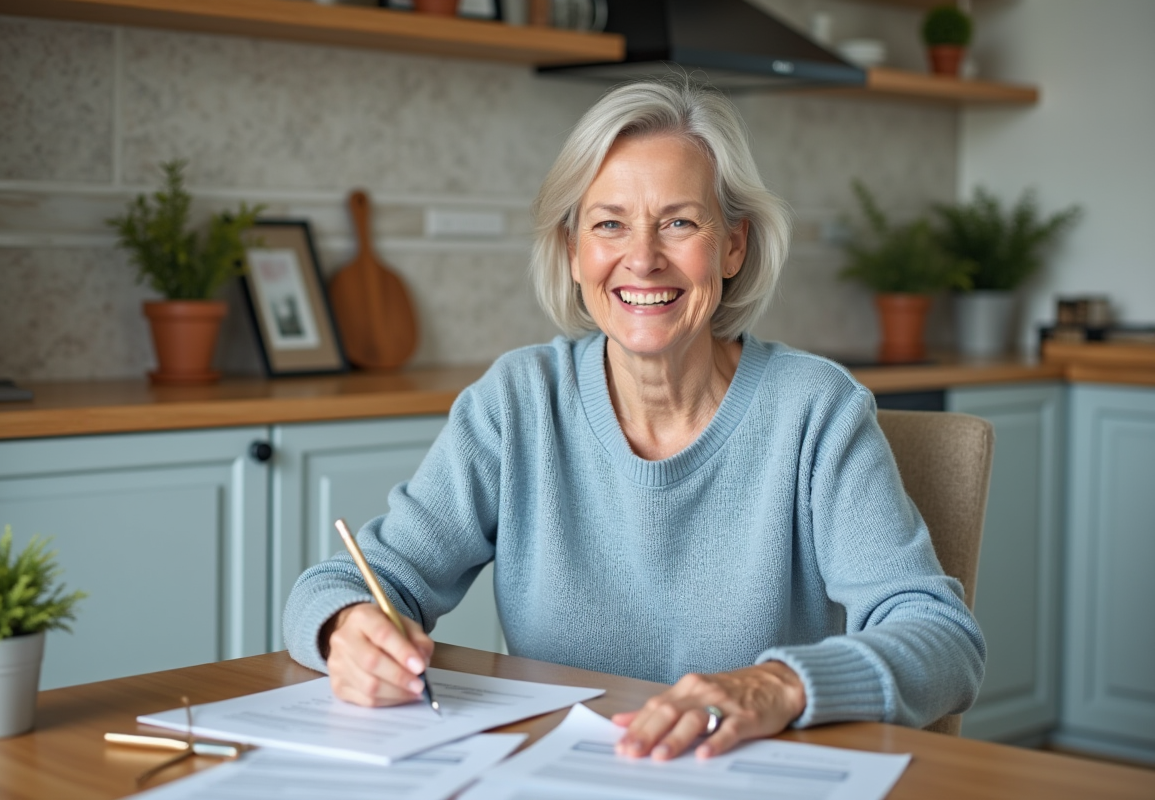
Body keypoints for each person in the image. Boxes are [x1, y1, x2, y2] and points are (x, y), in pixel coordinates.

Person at [284, 80, 985, 762]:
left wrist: (777, 685)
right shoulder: (518, 402)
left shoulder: (815, 410)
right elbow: (341, 584)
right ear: (573, 250)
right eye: (610, 223)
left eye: (679, 222)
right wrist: (346, 629)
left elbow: (944, 641)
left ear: (733, 246)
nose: (642, 258)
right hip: (556, 781)